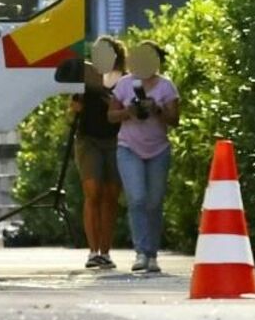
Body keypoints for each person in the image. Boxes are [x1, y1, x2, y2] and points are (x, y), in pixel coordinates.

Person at [107, 40, 182, 274]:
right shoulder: (124, 84)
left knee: (154, 202)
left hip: (158, 149)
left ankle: (152, 254)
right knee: (137, 198)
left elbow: (175, 120)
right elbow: (111, 115)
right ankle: (141, 252)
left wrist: (157, 110)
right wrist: (128, 112)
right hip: (129, 147)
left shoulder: (166, 86)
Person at [71, 37, 126, 271]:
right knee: (93, 192)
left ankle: (106, 251)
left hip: (117, 139)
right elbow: (74, 107)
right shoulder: (86, 75)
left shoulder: (125, 79)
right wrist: (77, 102)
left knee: (111, 195)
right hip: (88, 138)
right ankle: (93, 252)